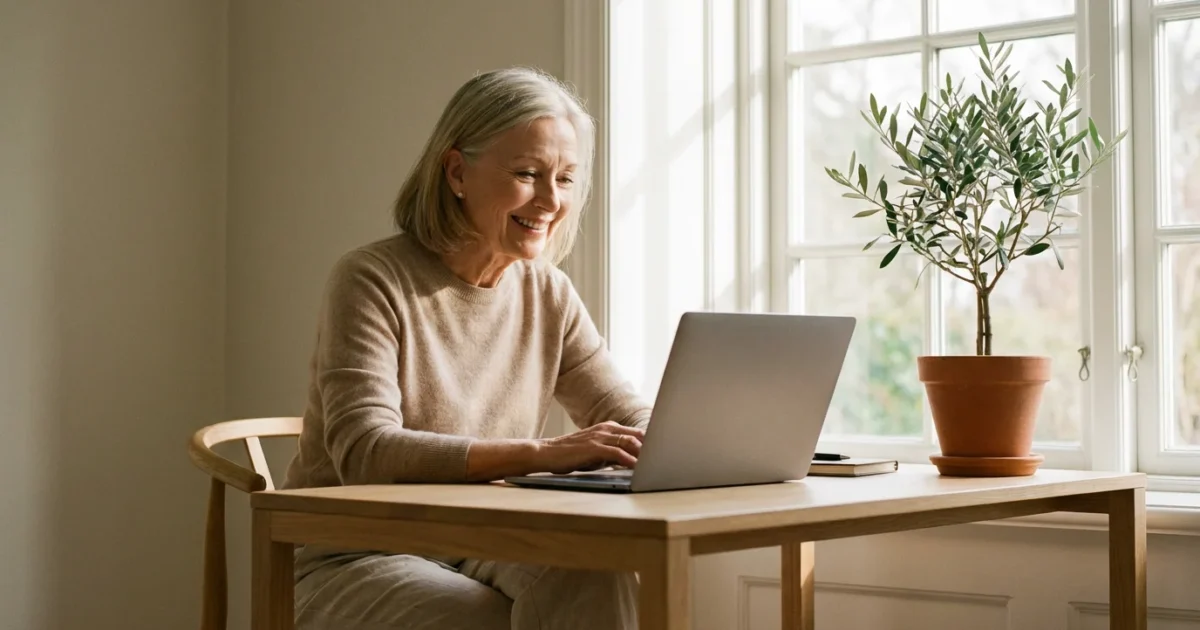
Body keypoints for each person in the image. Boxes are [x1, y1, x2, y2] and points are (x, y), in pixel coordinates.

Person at [280, 66, 652, 630]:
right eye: (528, 173)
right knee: (477, 617)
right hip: (355, 553)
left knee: (597, 570)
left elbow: (622, 412)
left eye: (568, 179)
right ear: (456, 171)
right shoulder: (371, 279)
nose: (551, 200)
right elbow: (366, 453)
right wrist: (542, 454)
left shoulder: (546, 291)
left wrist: (677, 443)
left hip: (478, 539)